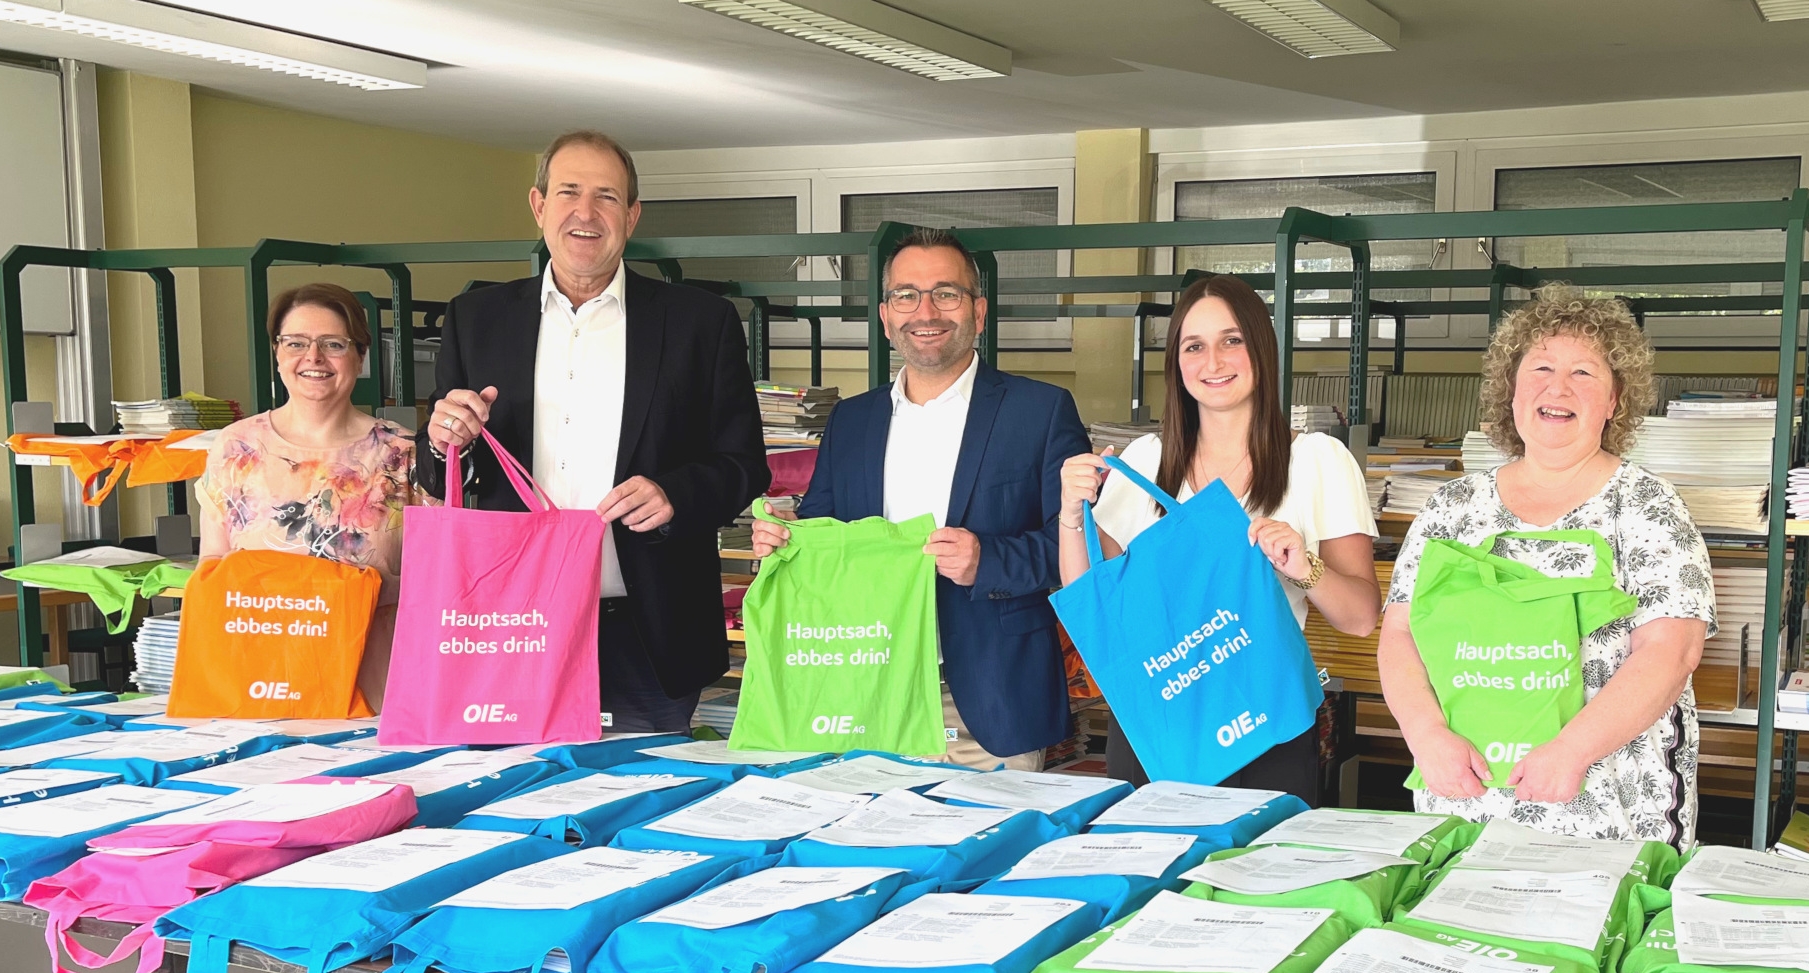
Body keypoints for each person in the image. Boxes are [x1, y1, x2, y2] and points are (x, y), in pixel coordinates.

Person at [421, 129, 769, 733]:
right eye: (569, 192)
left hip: (646, 626)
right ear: (539, 206)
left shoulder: (700, 323)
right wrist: (443, 441)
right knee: (512, 808)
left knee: (645, 808)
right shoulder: (476, 319)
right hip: (509, 625)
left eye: (607, 196)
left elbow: (743, 463)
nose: (586, 213)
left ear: (631, 216)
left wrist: (675, 493)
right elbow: (446, 473)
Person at [1377, 284, 1714, 846]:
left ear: (1614, 402)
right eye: (1540, 368)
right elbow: (1400, 633)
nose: (1558, 387)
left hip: (1608, 803)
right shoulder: (1453, 508)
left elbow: (1673, 651)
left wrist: (1573, 750)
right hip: (1464, 798)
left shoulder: (1646, 505)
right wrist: (1425, 733)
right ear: (1510, 389)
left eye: (1585, 373)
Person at [196, 281, 422, 973]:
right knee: (275, 856)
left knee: (372, 852)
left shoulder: (399, 451)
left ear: (360, 357)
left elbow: (418, 576)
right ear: (277, 353)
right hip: (265, 686)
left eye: (332, 343)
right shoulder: (235, 449)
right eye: (297, 343)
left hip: (370, 680)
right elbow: (214, 574)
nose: (313, 359)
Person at [750, 228, 1090, 769]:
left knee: (994, 848)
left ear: (978, 311)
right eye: (906, 294)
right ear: (886, 316)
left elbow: (1077, 548)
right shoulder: (853, 419)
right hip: (866, 687)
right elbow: (822, 533)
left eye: (946, 293)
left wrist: (987, 561)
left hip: (987, 699)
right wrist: (786, 542)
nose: (925, 310)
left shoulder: (1040, 411)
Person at [1057, 274, 1379, 803]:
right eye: (1195, 346)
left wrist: (1303, 567)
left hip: (1265, 721)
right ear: (1177, 363)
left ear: (1261, 347)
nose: (1214, 362)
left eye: (1233, 340)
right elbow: (1097, 599)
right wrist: (1071, 515)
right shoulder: (1144, 462)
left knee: (1254, 879)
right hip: (1156, 722)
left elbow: (1361, 617)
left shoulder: (1318, 461)